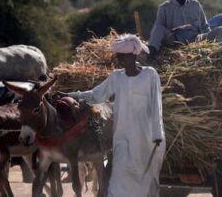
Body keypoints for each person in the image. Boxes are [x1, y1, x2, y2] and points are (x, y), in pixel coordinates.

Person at [68, 34, 165, 197]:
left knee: (147, 185)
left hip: (147, 139)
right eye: (119, 56)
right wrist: (72, 95)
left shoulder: (150, 75)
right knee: (118, 184)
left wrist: (157, 134)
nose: (120, 60)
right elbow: (95, 95)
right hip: (122, 140)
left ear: (133, 55)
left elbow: (157, 105)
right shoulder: (117, 77)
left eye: (123, 56)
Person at [147, 0, 222, 60]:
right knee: (158, 28)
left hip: (196, 40)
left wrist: (209, 38)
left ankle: (221, 54)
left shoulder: (195, 5)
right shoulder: (164, 8)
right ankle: (150, 55)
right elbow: (158, 30)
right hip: (175, 40)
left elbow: (205, 26)